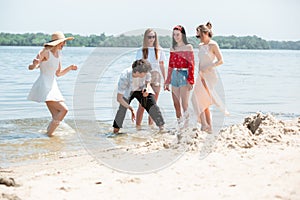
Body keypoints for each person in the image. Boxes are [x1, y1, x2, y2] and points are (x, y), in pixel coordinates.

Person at [27, 31, 77, 137]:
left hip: (53, 86)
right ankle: (48, 135)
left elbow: (58, 74)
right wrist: (34, 64)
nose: (64, 45)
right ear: (57, 42)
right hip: (44, 85)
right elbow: (31, 67)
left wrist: (70, 68)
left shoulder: (58, 54)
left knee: (56, 115)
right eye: (63, 42)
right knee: (64, 110)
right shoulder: (45, 52)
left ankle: (48, 137)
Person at [191, 22, 228, 132]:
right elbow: (200, 62)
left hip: (210, 75)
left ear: (206, 33)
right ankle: (209, 126)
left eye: (200, 35)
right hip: (201, 75)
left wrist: (208, 67)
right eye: (197, 36)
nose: (199, 38)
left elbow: (221, 60)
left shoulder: (213, 45)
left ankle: (204, 125)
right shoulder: (200, 46)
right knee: (200, 100)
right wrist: (198, 73)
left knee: (199, 100)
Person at [113, 59, 165, 134]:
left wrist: (147, 89)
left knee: (153, 106)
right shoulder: (124, 76)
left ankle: (162, 129)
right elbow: (119, 98)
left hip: (141, 89)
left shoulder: (145, 72)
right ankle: (115, 132)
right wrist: (130, 108)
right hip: (128, 92)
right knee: (122, 110)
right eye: (144, 73)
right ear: (137, 72)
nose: (146, 74)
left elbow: (148, 81)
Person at [164, 25, 195, 127]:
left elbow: (191, 64)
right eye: (174, 35)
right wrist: (167, 81)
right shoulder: (173, 48)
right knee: (176, 104)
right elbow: (170, 65)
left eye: (178, 34)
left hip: (184, 75)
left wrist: (191, 80)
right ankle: (179, 126)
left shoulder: (188, 47)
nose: (176, 37)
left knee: (184, 104)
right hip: (174, 76)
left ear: (182, 35)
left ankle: (187, 126)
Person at [135, 28, 166, 127]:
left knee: (153, 105)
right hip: (144, 77)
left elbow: (161, 65)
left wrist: (166, 79)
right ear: (145, 38)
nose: (151, 39)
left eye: (153, 37)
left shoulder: (159, 50)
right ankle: (138, 127)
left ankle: (151, 127)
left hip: (156, 76)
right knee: (142, 104)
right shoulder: (141, 50)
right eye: (149, 37)